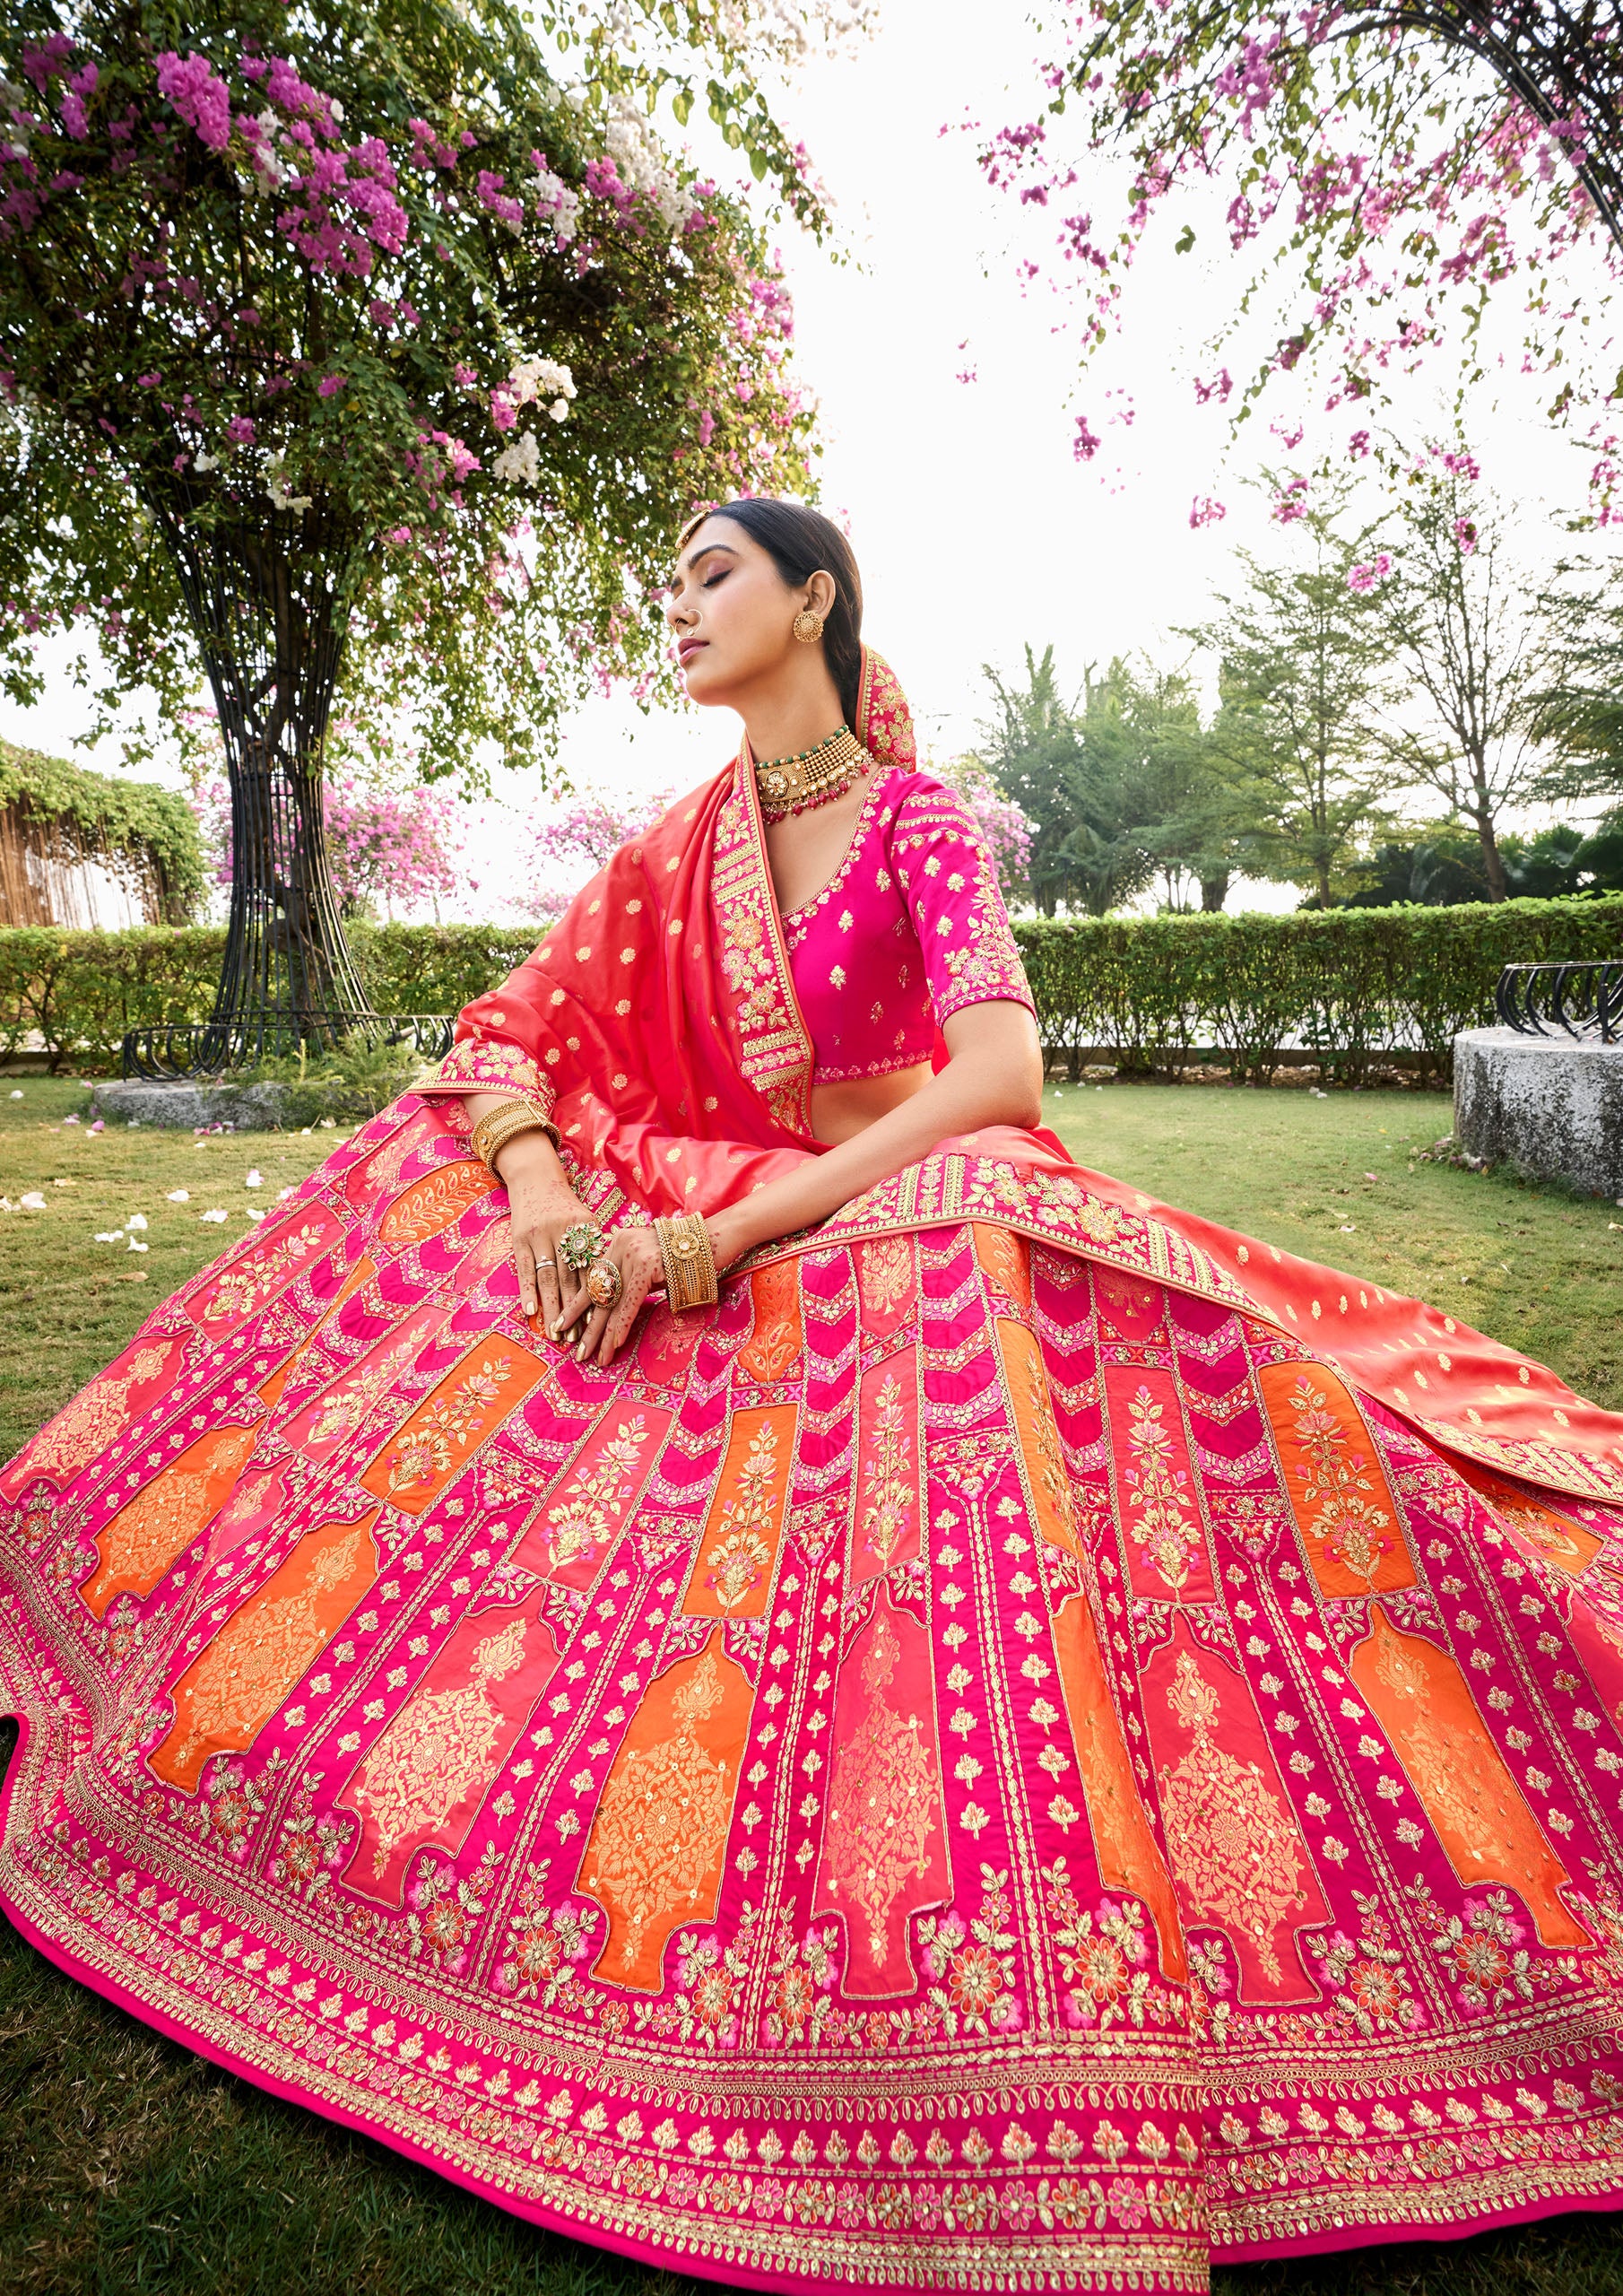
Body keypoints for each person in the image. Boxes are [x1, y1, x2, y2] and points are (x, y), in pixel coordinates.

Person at [4, 499, 1623, 2296]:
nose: (679, 609)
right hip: (671, 1194)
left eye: (713, 574)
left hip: (849, 1204)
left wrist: (736, 1229)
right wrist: (552, 1195)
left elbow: (998, 1069)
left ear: (814, 594)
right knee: (425, 1180)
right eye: (671, 584)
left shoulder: (915, 818)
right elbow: (510, 1035)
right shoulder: (672, 849)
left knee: (988, 1259)